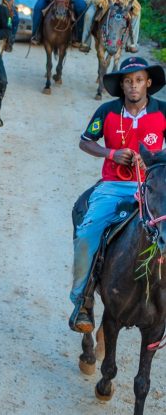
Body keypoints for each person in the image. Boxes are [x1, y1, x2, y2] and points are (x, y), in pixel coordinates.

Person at [69, 57, 166, 333]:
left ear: (148, 83)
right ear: (121, 85)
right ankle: (82, 302)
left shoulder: (163, 112)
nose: (133, 86)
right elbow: (85, 141)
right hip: (113, 185)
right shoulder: (108, 111)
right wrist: (110, 153)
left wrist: (155, 161)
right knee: (87, 234)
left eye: (138, 80)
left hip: (152, 186)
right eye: (127, 81)